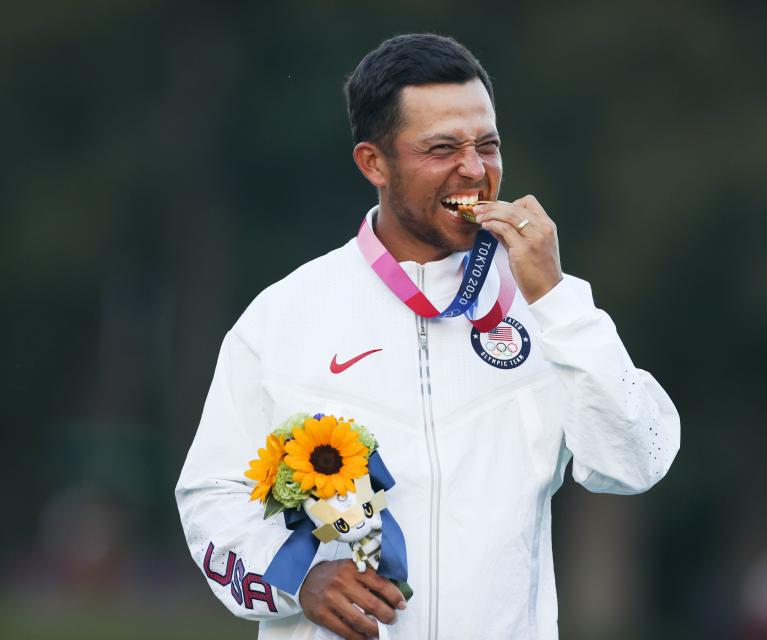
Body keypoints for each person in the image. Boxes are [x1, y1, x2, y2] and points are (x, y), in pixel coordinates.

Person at [176, 33, 680, 640]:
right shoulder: (285, 315)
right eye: (442, 148)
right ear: (374, 163)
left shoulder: (549, 304)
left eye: (487, 145)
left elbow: (635, 462)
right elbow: (211, 495)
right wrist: (296, 577)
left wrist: (555, 300)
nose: (475, 169)